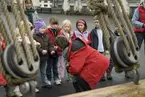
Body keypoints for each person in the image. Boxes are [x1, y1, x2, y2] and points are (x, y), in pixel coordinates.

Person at [33, 19, 56, 88]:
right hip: (37, 58)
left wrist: (51, 50)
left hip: (44, 57)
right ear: (37, 28)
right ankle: (34, 86)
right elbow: (34, 45)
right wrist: (41, 50)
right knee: (35, 73)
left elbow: (50, 45)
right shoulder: (34, 37)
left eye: (44, 28)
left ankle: (45, 83)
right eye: (41, 28)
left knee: (43, 71)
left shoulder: (47, 36)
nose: (43, 30)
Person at [45, 17, 62, 86]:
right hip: (50, 52)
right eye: (53, 24)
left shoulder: (59, 31)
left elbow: (61, 41)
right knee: (49, 66)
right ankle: (48, 79)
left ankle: (56, 79)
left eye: (56, 24)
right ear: (50, 24)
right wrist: (51, 48)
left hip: (57, 52)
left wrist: (58, 47)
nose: (55, 25)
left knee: (55, 66)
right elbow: (46, 41)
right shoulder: (47, 31)